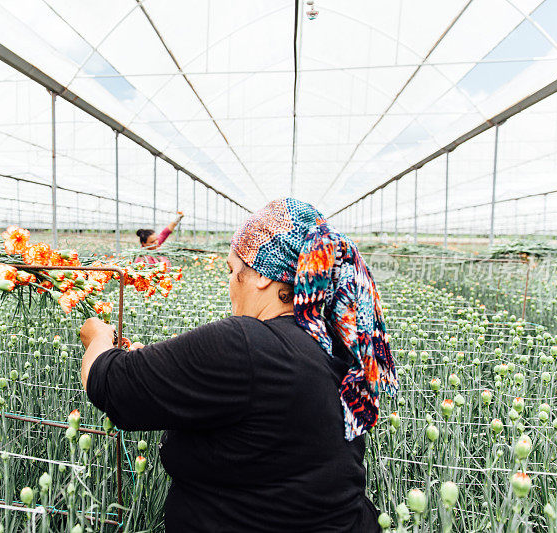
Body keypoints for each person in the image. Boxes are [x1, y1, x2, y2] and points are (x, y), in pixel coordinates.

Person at [80, 198, 397, 532]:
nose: (229, 283)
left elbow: (109, 382)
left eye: (233, 270)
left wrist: (98, 336)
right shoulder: (332, 345)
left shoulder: (246, 344)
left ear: (261, 275)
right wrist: (157, 370)